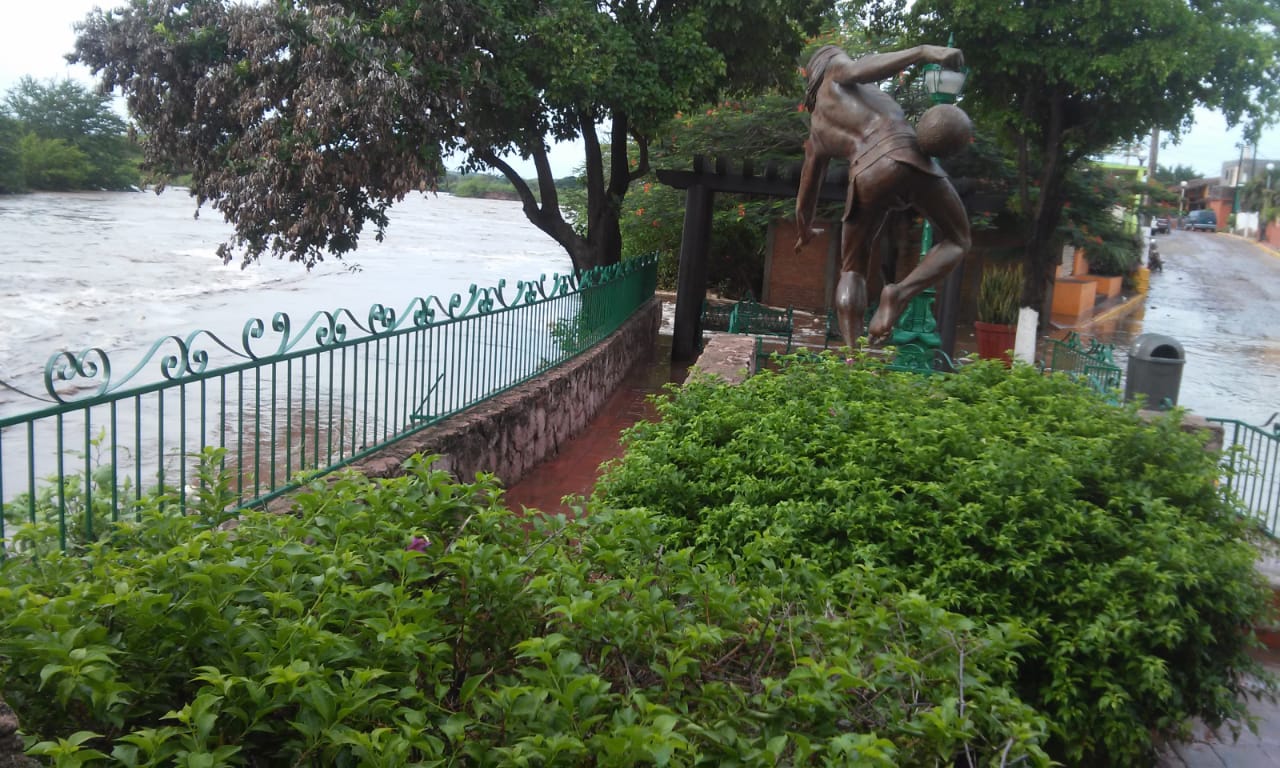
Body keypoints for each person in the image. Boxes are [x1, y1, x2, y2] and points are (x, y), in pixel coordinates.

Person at [796, 44, 971, 347]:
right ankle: (899, 293)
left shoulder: (817, 131)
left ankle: (852, 355)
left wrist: (804, 228)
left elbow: (808, 188)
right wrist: (923, 52)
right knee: (959, 239)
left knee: (852, 271)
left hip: (866, 175)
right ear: (831, 62)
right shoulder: (839, 71)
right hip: (909, 154)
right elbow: (862, 68)